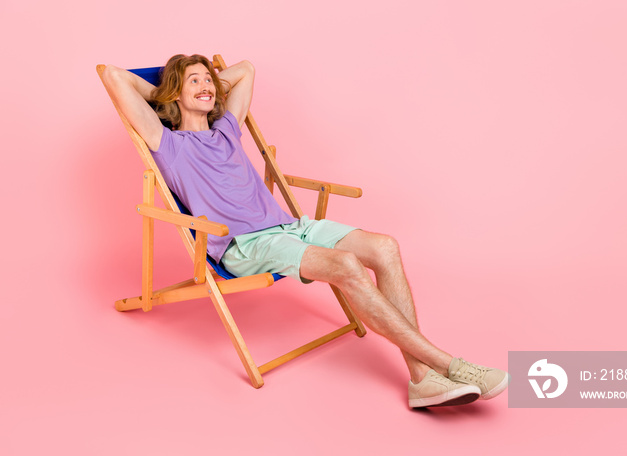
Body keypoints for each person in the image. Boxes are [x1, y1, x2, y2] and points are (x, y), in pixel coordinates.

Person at [102, 54, 509, 408]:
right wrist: (169, 88)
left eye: (209, 79)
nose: (207, 85)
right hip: (247, 245)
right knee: (347, 266)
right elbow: (112, 75)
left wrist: (207, 86)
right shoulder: (168, 144)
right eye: (196, 81)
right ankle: (448, 366)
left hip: (292, 227)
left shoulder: (227, 129)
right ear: (173, 93)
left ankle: (421, 380)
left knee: (385, 247)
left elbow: (246, 70)